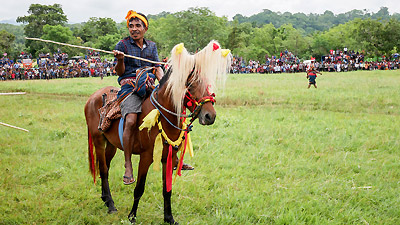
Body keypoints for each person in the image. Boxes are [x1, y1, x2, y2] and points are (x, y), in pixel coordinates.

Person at [113, 10, 164, 185]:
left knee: (171, 113)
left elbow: (157, 68)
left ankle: (172, 156)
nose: (134, 29)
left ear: (145, 28)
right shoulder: (122, 45)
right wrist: (120, 60)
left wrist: (164, 85)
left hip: (149, 86)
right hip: (130, 88)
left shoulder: (151, 46)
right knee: (131, 120)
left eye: (138, 26)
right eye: (131, 26)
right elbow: (119, 72)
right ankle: (128, 164)